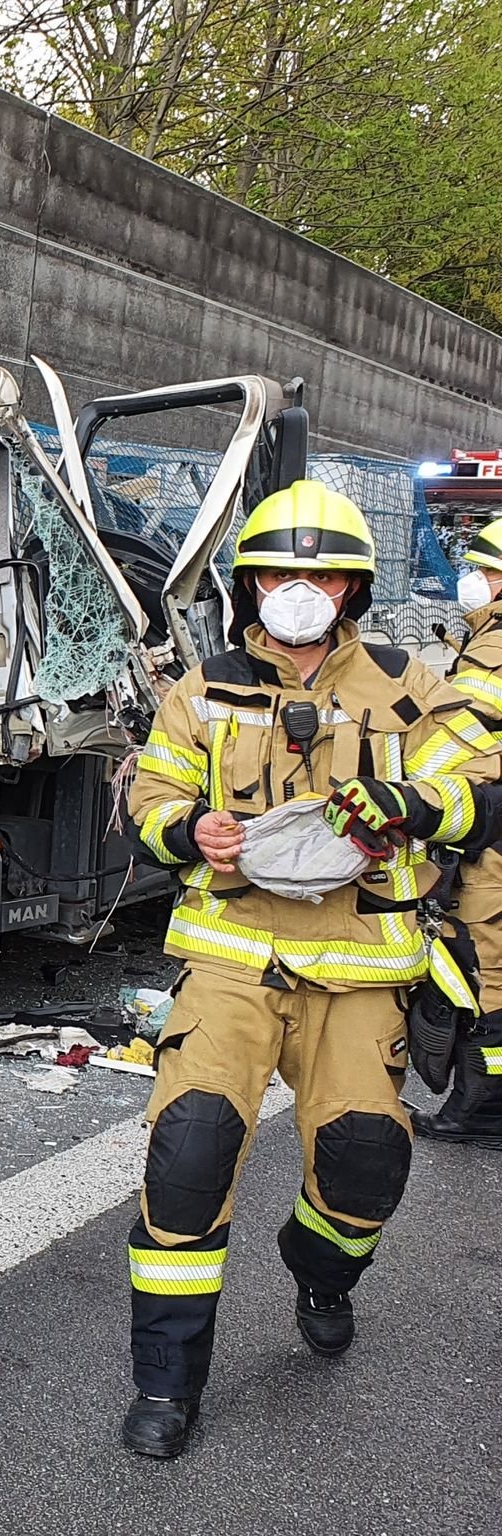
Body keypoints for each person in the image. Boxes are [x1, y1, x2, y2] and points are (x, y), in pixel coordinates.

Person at [121, 480, 500, 1458]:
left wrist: (414, 805)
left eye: (317, 572)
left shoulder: (408, 683)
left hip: (361, 970)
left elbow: (481, 784)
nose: (297, 588)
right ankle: (166, 1388)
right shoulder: (199, 689)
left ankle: (319, 1268)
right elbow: (151, 788)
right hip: (230, 965)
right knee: (188, 1155)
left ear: (348, 586)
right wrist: (180, 829)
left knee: (364, 1171)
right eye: (278, 572)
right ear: (249, 584)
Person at [410, 523, 502, 1148]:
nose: (473, 579)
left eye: (485, 568)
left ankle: (485, 1110)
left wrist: (397, 784)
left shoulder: (495, 648)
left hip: (493, 837)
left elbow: (463, 738)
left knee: (484, 967)